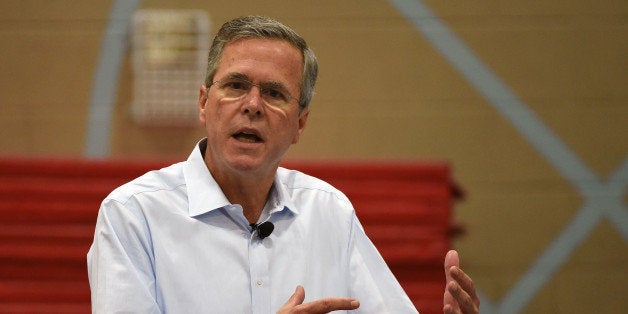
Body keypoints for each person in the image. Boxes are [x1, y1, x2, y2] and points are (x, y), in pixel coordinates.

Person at [87, 15, 479, 313]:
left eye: (274, 93)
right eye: (236, 85)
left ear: (299, 124)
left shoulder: (328, 211)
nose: (253, 105)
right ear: (204, 103)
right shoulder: (133, 215)